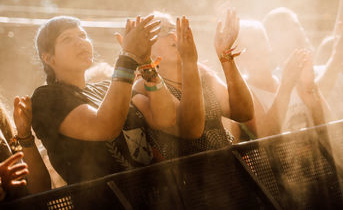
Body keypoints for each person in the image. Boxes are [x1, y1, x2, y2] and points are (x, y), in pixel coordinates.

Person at [31, 15, 181, 184]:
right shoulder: (46, 98)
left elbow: (166, 119)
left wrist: (146, 64)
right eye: (67, 39)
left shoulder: (106, 88)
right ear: (49, 58)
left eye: (82, 35)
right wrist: (128, 57)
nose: (81, 42)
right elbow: (105, 126)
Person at [132, 10, 254, 159]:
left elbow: (244, 112)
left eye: (173, 28)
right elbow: (192, 129)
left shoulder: (202, 73)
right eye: (161, 31)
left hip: (229, 167)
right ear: (145, 47)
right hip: (188, 178)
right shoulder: (143, 88)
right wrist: (189, 63)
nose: (172, 35)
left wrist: (225, 56)